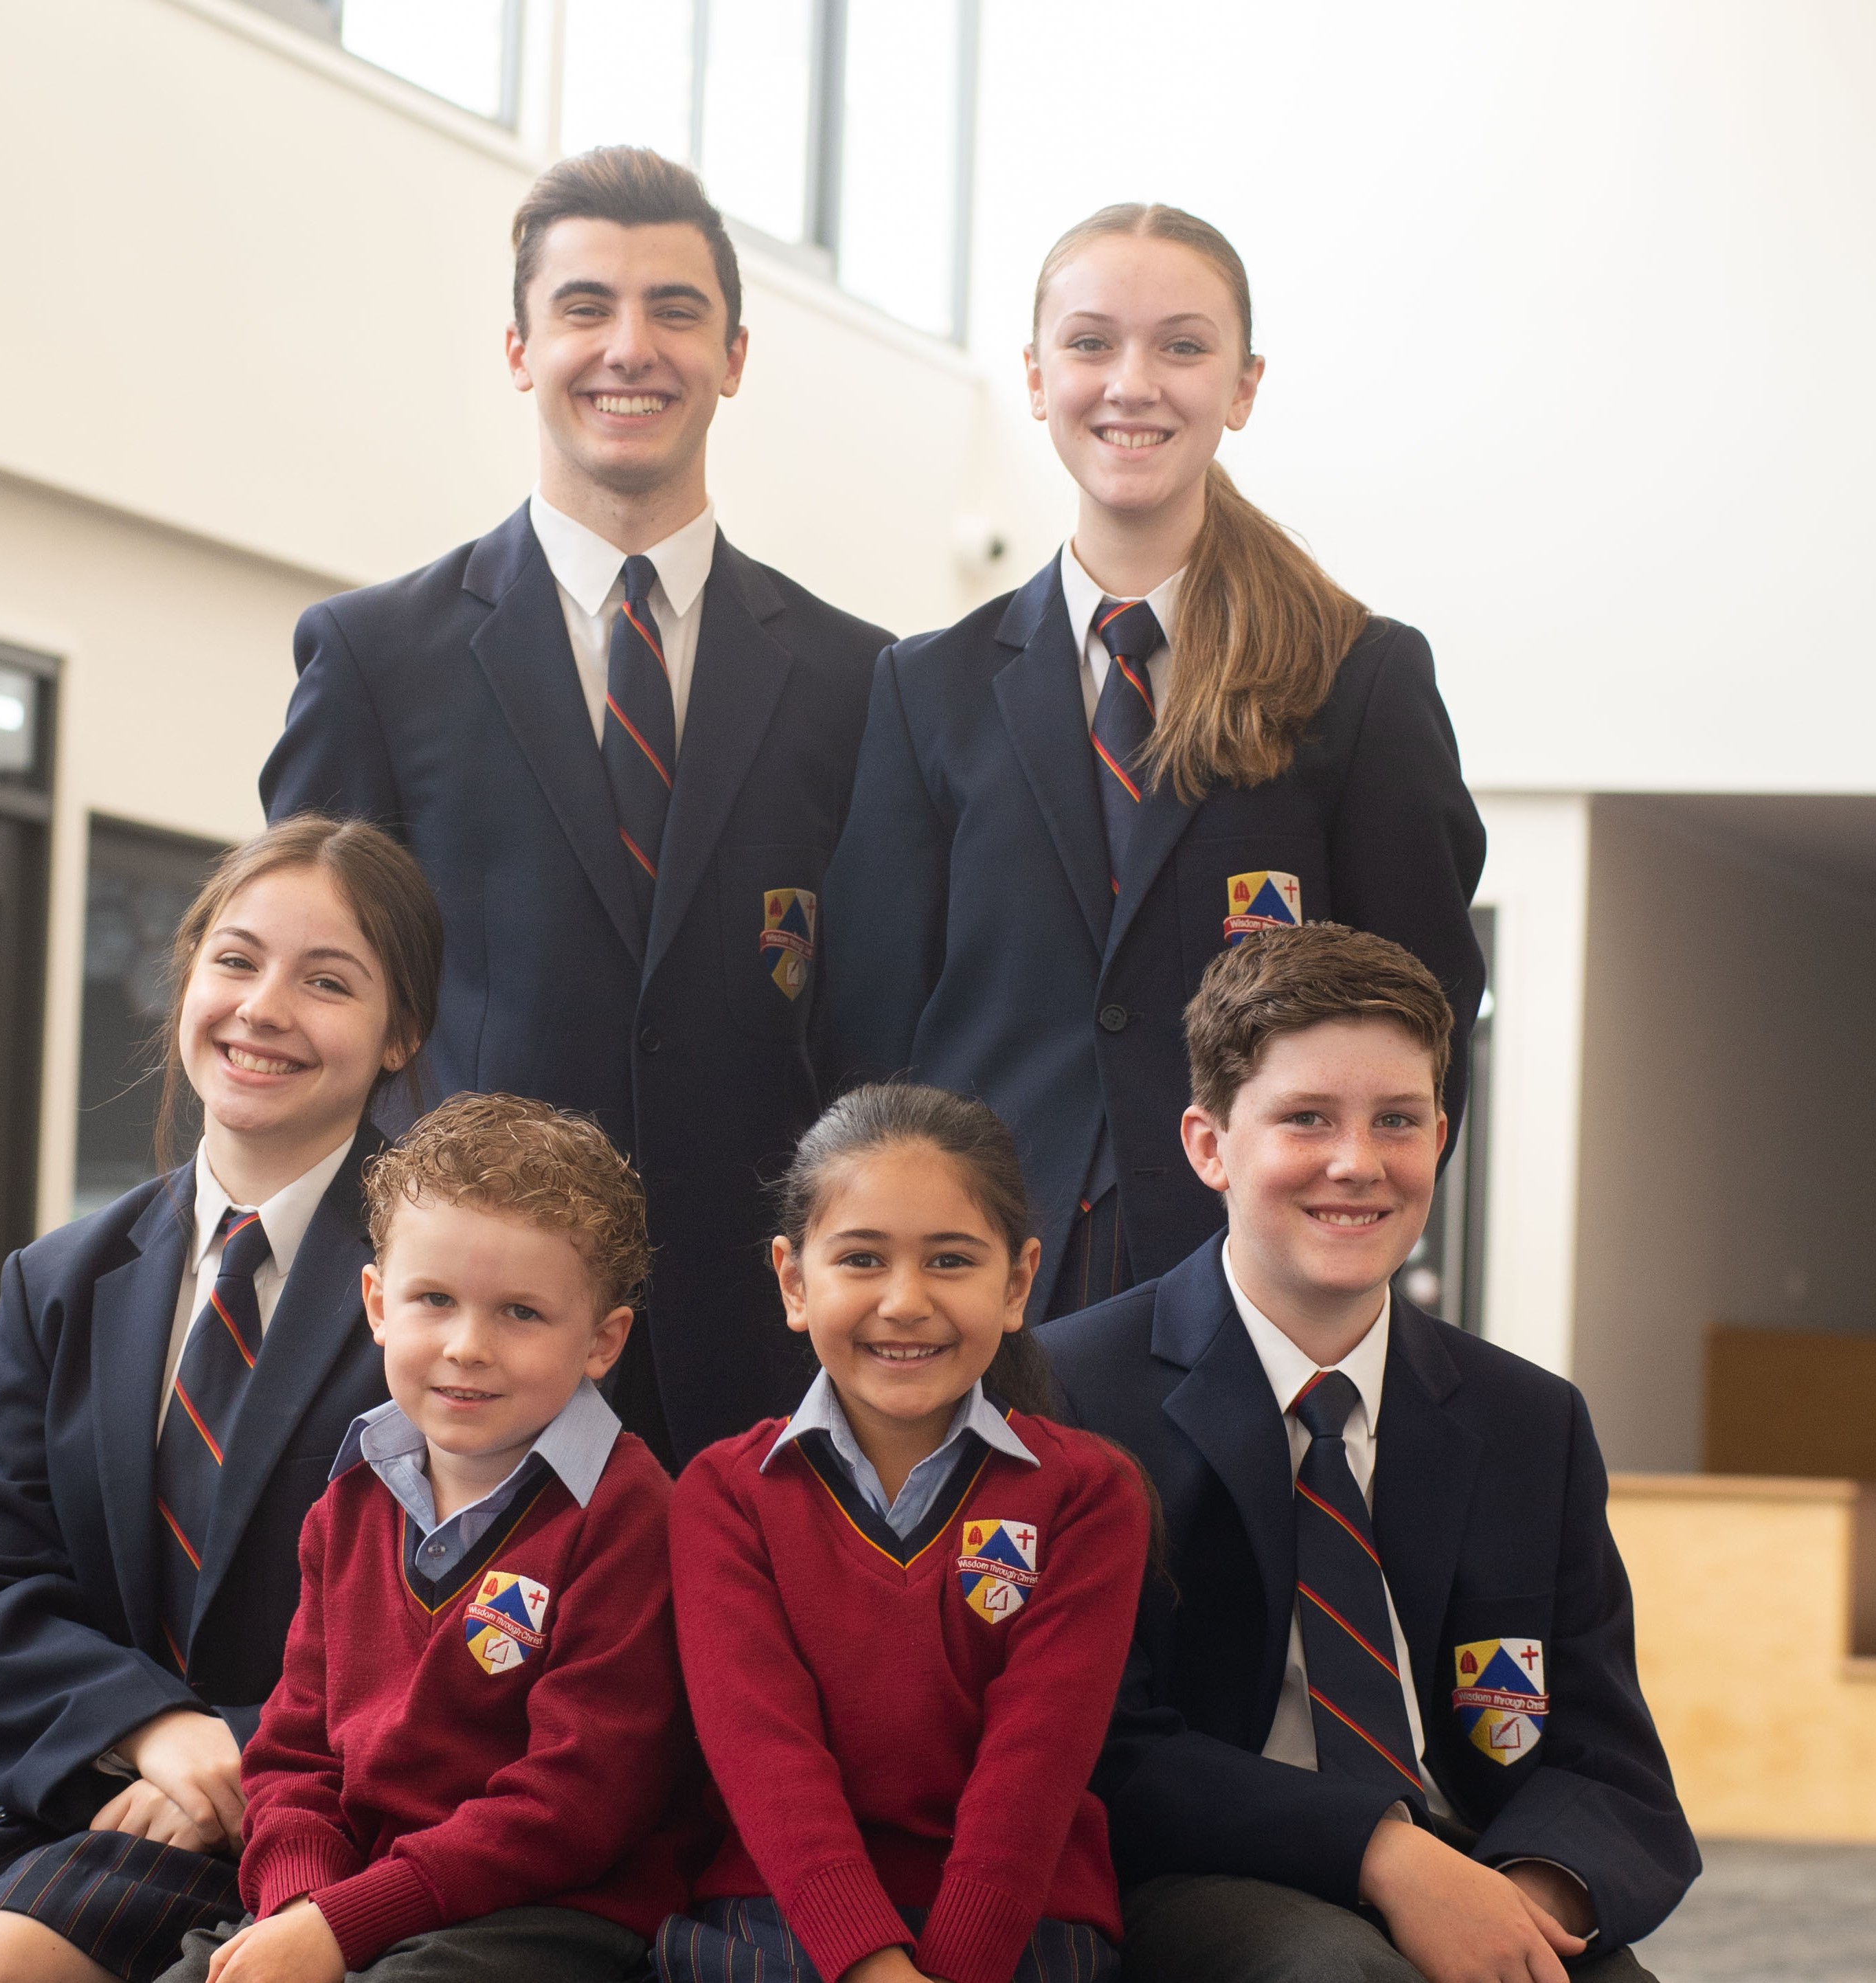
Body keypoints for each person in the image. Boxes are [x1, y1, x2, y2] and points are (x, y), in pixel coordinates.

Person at [260, 146, 892, 1466]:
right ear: (518, 346)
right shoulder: (378, 659)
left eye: (675, 310)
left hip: (765, 1357)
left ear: (733, 354)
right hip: (472, 1361)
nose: (629, 349)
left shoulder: (859, 680)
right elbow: (318, 1003)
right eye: (585, 307)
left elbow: (877, 1024)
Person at [824, 202, 1487, 1321]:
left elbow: (1426, 1018)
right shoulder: (922, 688)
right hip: (989, 1283)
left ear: (1241, 385)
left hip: (1245, 1287)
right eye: (1090, 344)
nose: (1132, 382)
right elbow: (871, 1031)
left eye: (1181, 346)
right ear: (1035, 378)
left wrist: (1340, 1249)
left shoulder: (1355, 678)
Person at [0, 816, 444, 1983]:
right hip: (109, 1787)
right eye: (236, 960)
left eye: (328, 980)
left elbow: (470, 1607)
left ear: (401, 1030)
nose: (263, 1008)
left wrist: (240, 1754)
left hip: (337, 1815)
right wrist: (151, 1730)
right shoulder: (60, 1279)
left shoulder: (446, 1290)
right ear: (188, 976)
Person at [1038, 923, 1697, 1983]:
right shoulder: (1072, 1392)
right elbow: (1096, 1745)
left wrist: (1516, 1900)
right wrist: (1380, 1852)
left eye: (1396, 1120)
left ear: (1438, 1136)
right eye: (1306, 1119)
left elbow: (1604, 1753)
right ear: (1208, 1145)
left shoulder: (1532, 1421)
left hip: (1472, 1858)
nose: (1357, 1162)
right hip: (1201, 1873)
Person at [155, 1092, 688, 1983]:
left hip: (550, 1909)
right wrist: (298, 1904)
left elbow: (576, 1803)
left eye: (520, 1312)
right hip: (353, 1897)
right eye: (433, 1298)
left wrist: (341, 1926)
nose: (467, 1345)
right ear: (376, 1302)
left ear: (602, 1340)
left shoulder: (631, 1516)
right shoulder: (350, 1501)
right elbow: (293, 1755)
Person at [658, 1085, 1147, 1983]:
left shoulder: (1087, 1491)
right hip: (776, 1917)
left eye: (951, 1260)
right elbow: (765, 1755)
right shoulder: (722, 1494)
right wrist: (872, 1967)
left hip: (1021, 1928)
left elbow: (1032, 1767)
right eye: (861, 1258)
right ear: (794, 1282)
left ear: (1015, 1282)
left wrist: (951, 1968)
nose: (905, 1300)